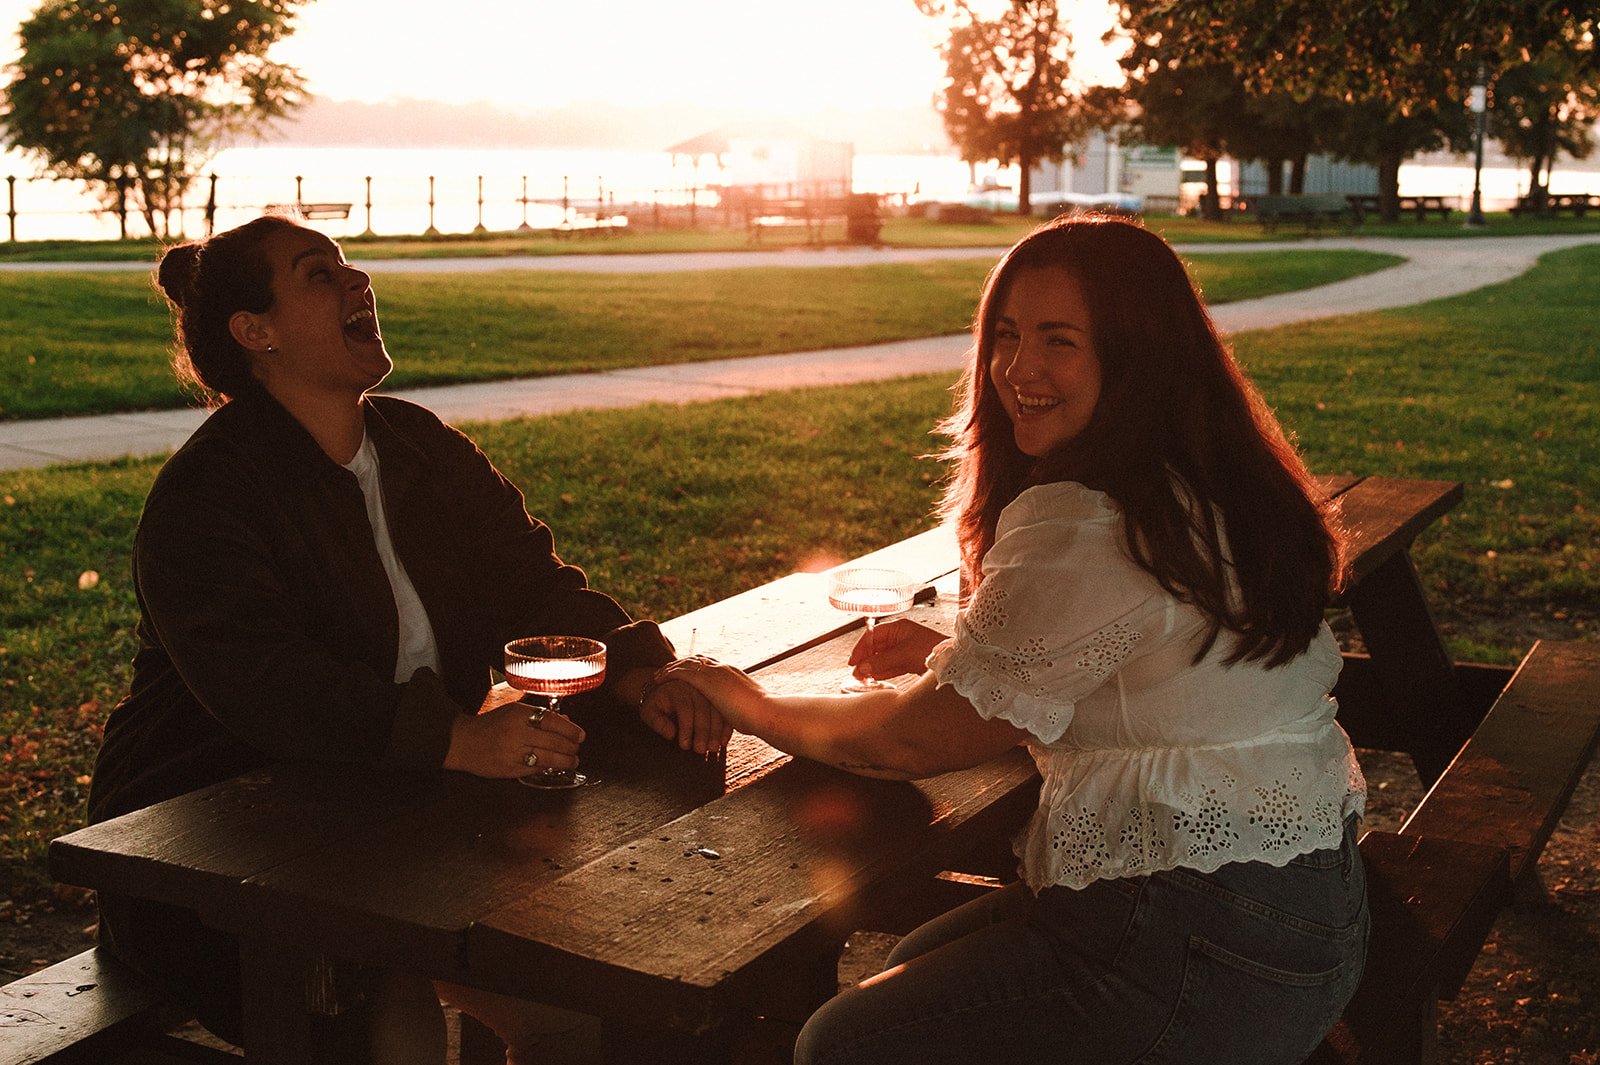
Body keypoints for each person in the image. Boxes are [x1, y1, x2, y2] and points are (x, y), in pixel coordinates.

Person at [659, 214, 1369, 1065]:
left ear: (1133, 356)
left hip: (1201, 943)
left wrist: (751, 702)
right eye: (1005, 335)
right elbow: (1126, 652)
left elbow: (908, 741)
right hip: (1306, 909)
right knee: (909, 963)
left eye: (1059, 341)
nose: (1016, 369)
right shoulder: (1205, 478)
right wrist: (961, 653)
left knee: (843, 1041)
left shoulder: (1091, 518)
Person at [88, 212, 729, 1063]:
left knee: (587, 995)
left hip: (400, 819)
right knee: (394, 1033)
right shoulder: (205, 497)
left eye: (352, 268)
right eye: (320, 274)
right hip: (209, 854)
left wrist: (638, 672)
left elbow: (531, 582)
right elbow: (266, 681)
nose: (359, 283)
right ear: (257, 331)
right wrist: (458, 736)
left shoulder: (422, 448)